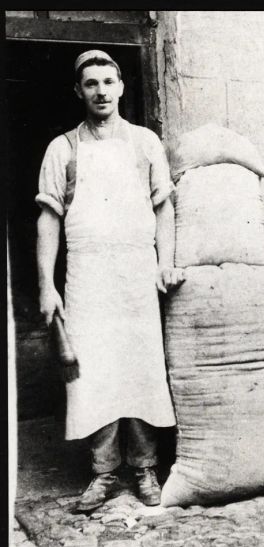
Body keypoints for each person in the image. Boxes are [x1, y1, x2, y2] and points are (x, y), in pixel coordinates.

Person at [36, 50, 185, 511]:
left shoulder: (145, 143)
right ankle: (103, 473)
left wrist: (166, 261)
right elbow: (48, 219)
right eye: (91, 84)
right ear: (78, 92)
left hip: (137, 273)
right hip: (88, 274)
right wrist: (47, 284)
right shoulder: (64, 148)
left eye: (108, 82)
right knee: (94, 372)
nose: (101, 91)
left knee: (139, 368)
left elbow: (164, 208)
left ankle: (143, 468)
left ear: (121, 87)